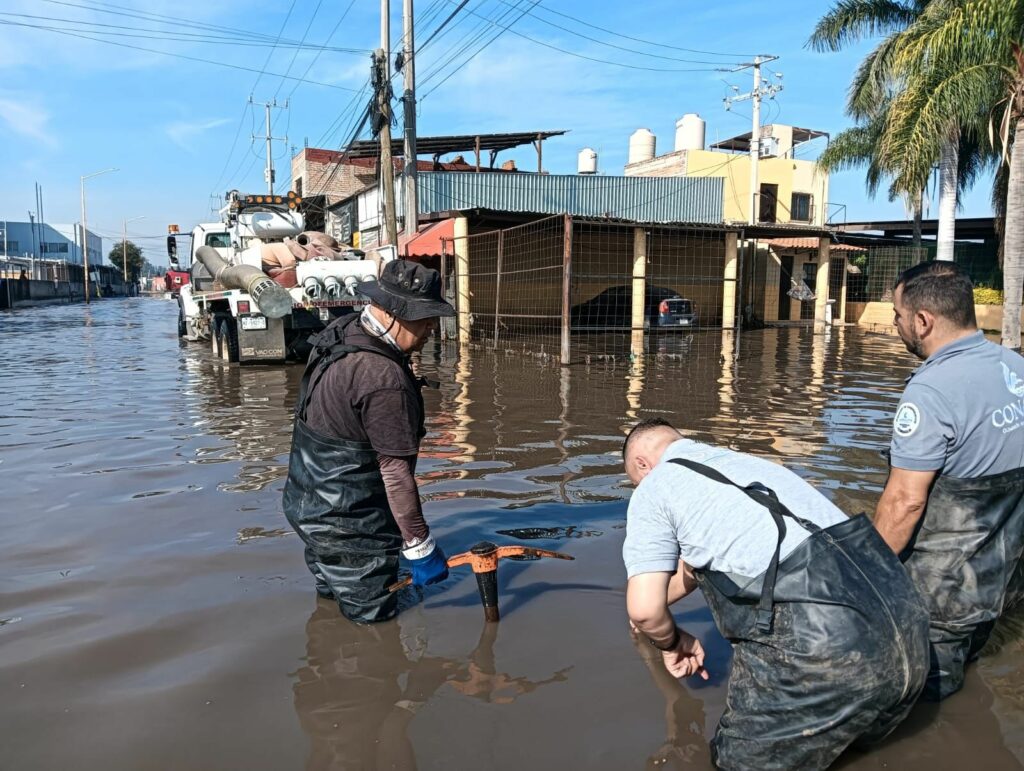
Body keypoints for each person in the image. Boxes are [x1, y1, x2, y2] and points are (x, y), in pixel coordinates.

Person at [622, 419, 929, 770]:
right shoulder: (745, 464)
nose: (639, 489)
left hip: (825, 651)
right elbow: (690, 572)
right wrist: (648, 615)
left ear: (642, 465)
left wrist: (670, 640)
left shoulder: (655, 486)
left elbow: (645, 608)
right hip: (908, 629)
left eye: (635, 482)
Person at [874, 260, 1024, 701]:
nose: (897, 325)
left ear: (923, 321)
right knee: (969, 680)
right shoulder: (1014, 366)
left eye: (899, 316)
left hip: (943, 594)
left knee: (925, 697)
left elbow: (905, 502)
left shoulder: (932, 390)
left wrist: (867, 573)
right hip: (1001, 578)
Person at [283, 259, 455, 623]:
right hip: (349, 525)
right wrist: (420, 545)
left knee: (330, 604)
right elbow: (395, 474)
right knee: (373, 624)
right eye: (424, 320)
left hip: (305, 504)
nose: (431, 330)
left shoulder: (344, 330)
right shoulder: (383, 377)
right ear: (393, 313)